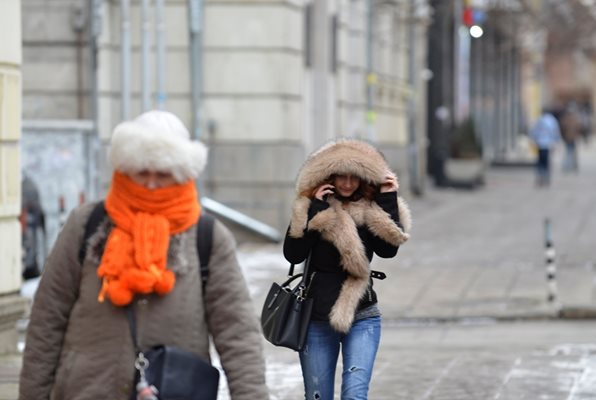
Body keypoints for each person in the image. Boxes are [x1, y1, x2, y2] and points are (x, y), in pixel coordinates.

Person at [19, 110, 269, 399]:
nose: (151, 184)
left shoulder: (207, 237)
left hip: (175, 390)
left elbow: (237, 333)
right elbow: (48, 319)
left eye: (162, 174)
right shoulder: (86, 224)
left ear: (181, 175)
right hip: (88, 390)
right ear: (125, 169)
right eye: (142, 172)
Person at [283, 139, 411, 399]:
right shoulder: (310, 207)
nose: (348, 183)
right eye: (342, 175)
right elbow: (293, 254)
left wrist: (387, 199)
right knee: (318, 396)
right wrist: (316, 213)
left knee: (355, 396)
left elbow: (388, 250)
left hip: (362, 314)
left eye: (355, 177)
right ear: (329, 175)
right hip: (316, 318)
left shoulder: (371, 209)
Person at [529, 109, 561, 186]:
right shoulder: (553, 120)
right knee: (546, 162)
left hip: (540, 143)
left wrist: (533, 140)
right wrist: (556, 142)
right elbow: (555, 132)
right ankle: (546, 178)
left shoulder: (540, 120)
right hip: (548, 144)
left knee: (540, 161)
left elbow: (534, 131)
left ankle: (540, 177)